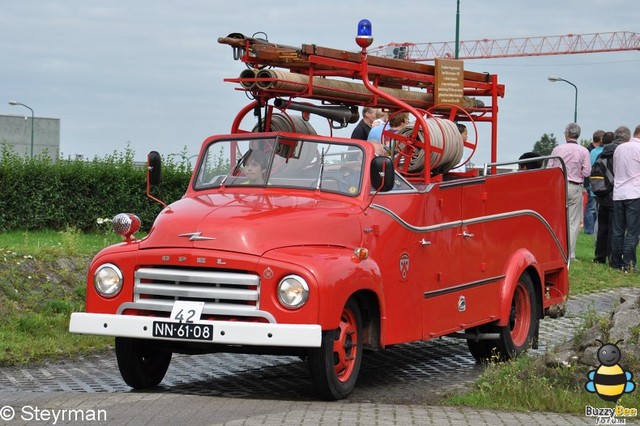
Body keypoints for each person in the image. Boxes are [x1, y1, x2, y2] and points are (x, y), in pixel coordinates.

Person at [548, 123, 591, 261]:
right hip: (575, 185)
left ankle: (557, 251)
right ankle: (570, 254)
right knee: (573, 222)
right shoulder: (583, 151)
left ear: (567, 134)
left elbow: (550, 168)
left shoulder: (557, 149)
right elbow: (587, 171)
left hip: (559, 186)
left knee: (558, 219)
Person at [610, 125, 640, 272]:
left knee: (618, 230)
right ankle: (628, 263)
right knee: (633, 231)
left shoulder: (619, 148)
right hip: (634, 192)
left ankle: (615, 262)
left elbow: (615, 170)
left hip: (618, 193)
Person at [593, 131, 617, 264]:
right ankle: (611, 256)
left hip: (601, 195)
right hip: (614, 195)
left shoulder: (600, 156)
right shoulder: (617, 156)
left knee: (602, 228)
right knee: (613, 228)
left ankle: (599, 257)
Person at [583, 130, 604, 234]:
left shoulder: (589, 150)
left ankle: (591, 228)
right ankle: (589, 230)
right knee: (591, 207)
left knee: (592, 206)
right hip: (592, 182)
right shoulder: (591, 151)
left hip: (591, 181)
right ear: (600, 139)